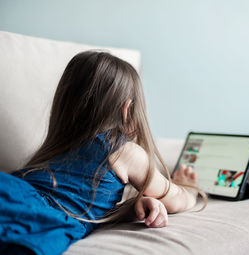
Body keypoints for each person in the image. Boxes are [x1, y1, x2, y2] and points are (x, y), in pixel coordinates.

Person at [0, 51, 207, 255]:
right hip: (39, 217)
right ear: (127, 109)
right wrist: (190, 191)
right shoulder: (123, 150)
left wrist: (128, 208)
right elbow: (175, 200)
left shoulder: (54, 149)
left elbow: (74, 197)